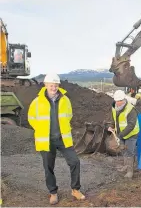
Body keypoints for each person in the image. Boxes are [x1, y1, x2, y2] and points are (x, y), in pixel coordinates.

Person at [27, 73, 85, 205]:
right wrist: (40, 129)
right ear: (46, 85)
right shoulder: (37, 101)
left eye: (56, 85)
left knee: (75, 161)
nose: (53, 88)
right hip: (46, 140)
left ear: (58, 85)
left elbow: (69, 115)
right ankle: (53, 192)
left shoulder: (65, 100)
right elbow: (31, 118)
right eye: (51, 85)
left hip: (63, 138)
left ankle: (75, 189)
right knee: (48, 167)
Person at [108, 89, 139, 178]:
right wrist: (112, 126)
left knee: (129, 151)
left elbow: (131, 125)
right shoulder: (114, 107)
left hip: (131, 134)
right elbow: (114, 119)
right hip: (121, 134)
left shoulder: (130, 109)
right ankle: (126, 166)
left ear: (124, 99)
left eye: (120, 101)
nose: (119, 103)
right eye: (117, 101)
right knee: (124, 150)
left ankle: (130, 171)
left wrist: (120, 135)